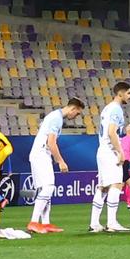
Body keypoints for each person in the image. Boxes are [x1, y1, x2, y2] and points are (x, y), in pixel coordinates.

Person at [25, 97, 83, 234]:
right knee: (49, 187)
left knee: (45, 188)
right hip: (41, 153)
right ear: (73, 108)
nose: (76, 116)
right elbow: (51, 142)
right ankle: (33, 222)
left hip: (40, 153)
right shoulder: (56, 118)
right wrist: (60, 161)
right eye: (78, 113)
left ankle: (45, 223)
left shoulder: (55, 116)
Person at [91, 80, 130, 232]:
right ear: (120, 93)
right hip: (110, 151)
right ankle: (112, 223)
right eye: (128, 93)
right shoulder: (116, 109)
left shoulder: (107, 109)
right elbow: (111, 132)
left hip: (102, 150)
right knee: (116, 184)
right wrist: (120, 152)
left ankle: (94, 224)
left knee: (102, 188)